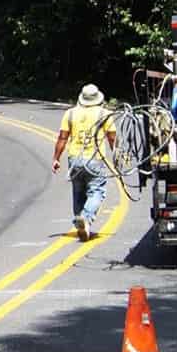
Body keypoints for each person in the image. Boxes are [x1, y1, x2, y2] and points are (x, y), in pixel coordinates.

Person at [52, 84, 117, 238]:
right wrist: (117, 158)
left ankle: (79, 221)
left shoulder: (70, 113)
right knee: (97, 191)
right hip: (94, 159)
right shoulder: (104, 113)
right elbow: (112, 138)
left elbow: (62, 137)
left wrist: (56, 158)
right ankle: (86, 219)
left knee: (78, 192)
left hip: (75, 159)